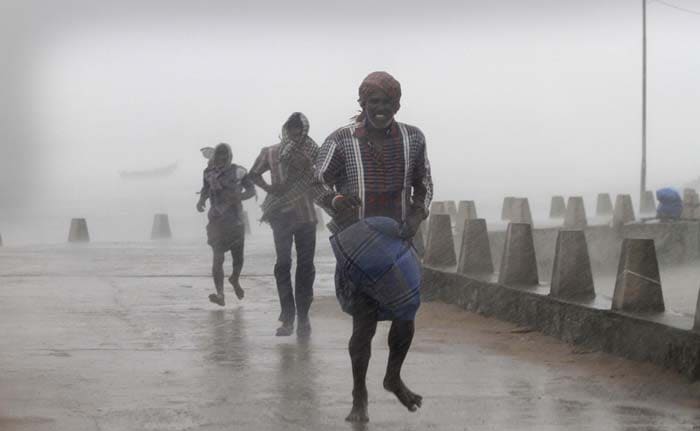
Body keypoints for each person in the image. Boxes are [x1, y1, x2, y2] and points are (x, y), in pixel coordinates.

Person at [314, 71, 433, 422]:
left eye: (387, 103)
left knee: (406, 314)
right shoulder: (341, 140)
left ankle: (393, 376)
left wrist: (417, 214)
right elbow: (315, 181)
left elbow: (423, 183)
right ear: (362, 104)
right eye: (373, 102)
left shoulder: (413, 138)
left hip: (397, 241)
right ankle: (359, 395)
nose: (380, 109)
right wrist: (334, 200)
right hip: (359, 245)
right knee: (363, 326)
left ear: (398, 104)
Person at [249, 112, 321, 337]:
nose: (295, 133)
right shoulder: (271, 152)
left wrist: (309, 166)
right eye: (291, 129)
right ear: (285, 130)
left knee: (306, 267)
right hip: (280, 215)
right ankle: (288, 317)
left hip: (306, 216)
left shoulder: (313, 152)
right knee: (283, 264)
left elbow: (321, 177)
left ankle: (304, 316)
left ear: (305, 130)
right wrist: (270, 189)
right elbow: (254, 174)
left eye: (299, 129)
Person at [196, 143, 256, 306]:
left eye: (224, 156)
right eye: (219, 156)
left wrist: (239, 197)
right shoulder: (209, 173)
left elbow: (251, 190)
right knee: (218, 258)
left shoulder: (239, 172)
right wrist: (201, 200)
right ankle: (220, 294)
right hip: (216, 221)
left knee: (238, 258)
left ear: (229, 156)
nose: (221, 159)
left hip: (235, 221)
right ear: (215, 156)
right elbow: (206, 189)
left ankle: (234, 279)